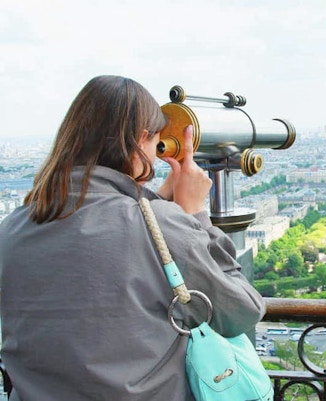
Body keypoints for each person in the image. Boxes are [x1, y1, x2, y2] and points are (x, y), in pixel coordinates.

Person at [0, 75, 266, 401]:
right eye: (156, 144)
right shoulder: (158, 224)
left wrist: (158, 206)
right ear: (141, 139)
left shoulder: (13, 227)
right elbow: (242, 310)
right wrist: (194, 218)